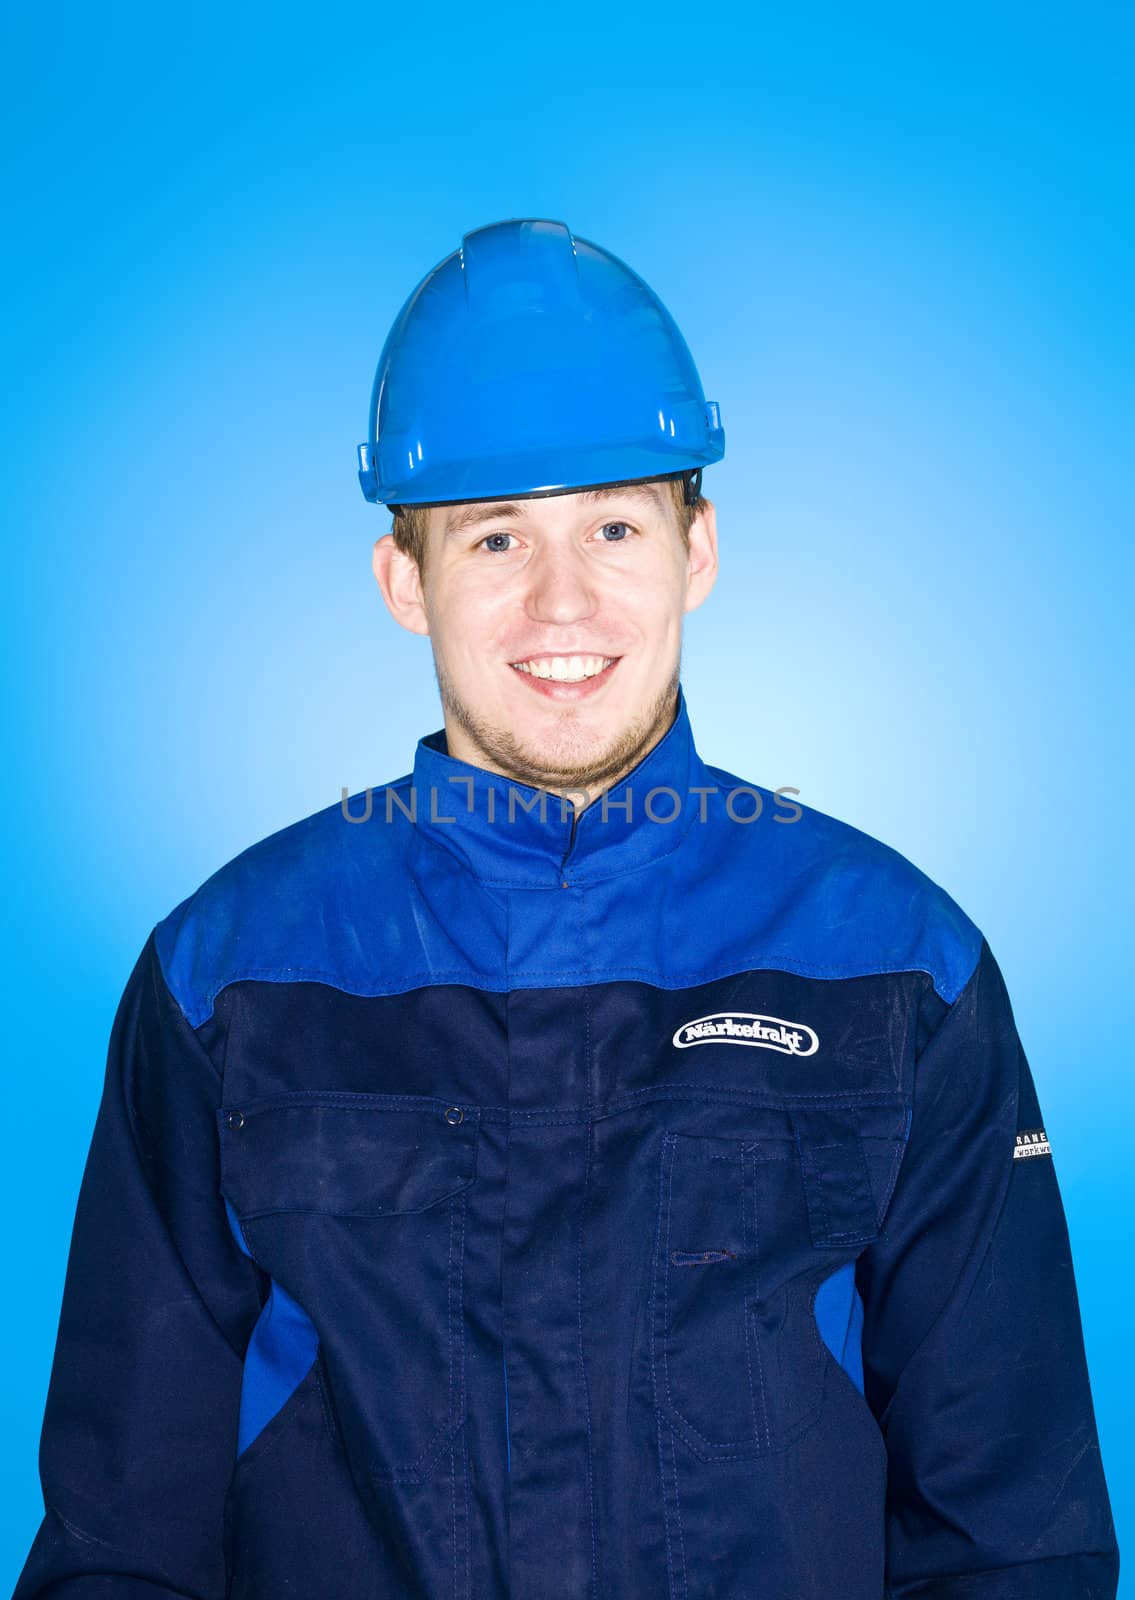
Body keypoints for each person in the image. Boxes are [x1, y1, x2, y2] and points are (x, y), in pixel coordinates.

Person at [14, 218, 1119, 1600]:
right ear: (403, 581)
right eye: (494, 538)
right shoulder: (226, 984)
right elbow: (123, 1547)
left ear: (697, 550)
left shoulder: (902, 971)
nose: (562, 600)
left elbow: (1014, 1540)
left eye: (612, 523)